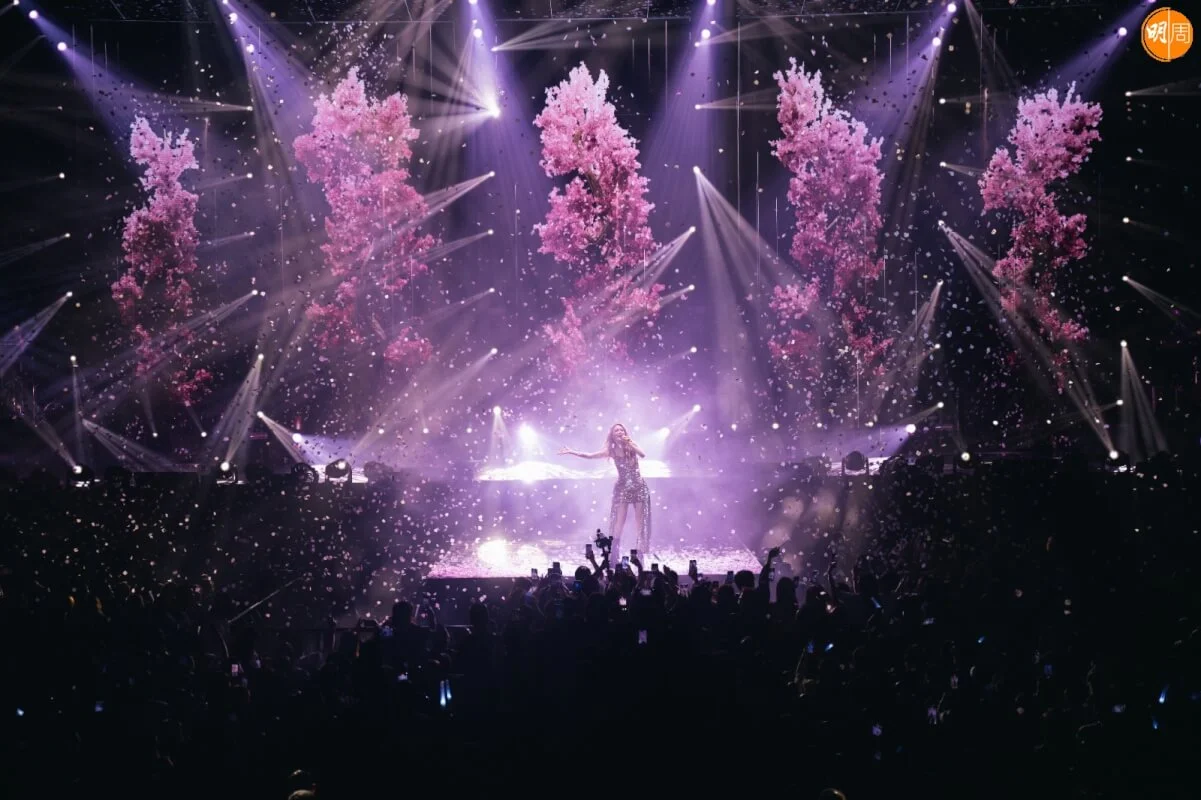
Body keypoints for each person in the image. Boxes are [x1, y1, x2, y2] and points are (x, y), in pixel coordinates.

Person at [559, 423, 652, 558]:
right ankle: (614, 554)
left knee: (640, 523)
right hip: (623, 488)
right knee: (619, 521)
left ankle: (639, 554)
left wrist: (630, 443)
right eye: (616, 430)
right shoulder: (611, 451)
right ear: (612, 435)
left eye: (621, 430)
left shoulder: (631, 445)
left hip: (639, 487)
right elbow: (590, 456)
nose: (620, 432)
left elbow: (642, 455)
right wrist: (573, 452)